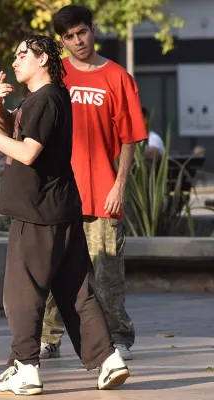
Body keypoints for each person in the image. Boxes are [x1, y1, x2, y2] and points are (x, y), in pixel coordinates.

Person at [0, 34, 129, 396]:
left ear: (42, 59)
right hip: (59, 208)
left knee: (21, 293)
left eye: (23, 53)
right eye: (15, 52)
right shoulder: (45, 99)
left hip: (38, 212)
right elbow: (24, 135)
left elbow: (26, 153)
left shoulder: (46, 98)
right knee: (75, 291)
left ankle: (26, 368)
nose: (15, 59)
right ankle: (108, 360)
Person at [33, 5, 147, 362]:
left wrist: (119, 186)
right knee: (52, 268)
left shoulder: (117, 77)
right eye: (68, 37)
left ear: (92, 30)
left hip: (102, 191)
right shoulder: (54, 75)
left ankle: (118, 338)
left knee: (108, 272)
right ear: (62, 40)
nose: (77, 41)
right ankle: (49, 336)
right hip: (59, 193)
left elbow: (129, 138)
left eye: (81, 32)